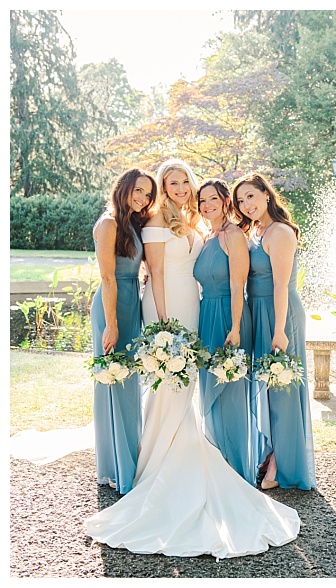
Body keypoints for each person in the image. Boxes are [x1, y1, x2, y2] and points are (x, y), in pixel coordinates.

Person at [86, 160, 300, 558]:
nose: (180, 187)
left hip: (193, 305)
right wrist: (164, 321)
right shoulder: (152, 222)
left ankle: (174, 449)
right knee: (171, 380)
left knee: (182, 385)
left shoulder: (195, 222)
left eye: (185, 181)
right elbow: (158, 274)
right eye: (172, 183)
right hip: (167, 307)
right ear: (164, 188)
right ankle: (159, 458)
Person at [232, 173, 315, 491]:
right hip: (259, 311)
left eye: (250, 196)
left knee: (282, 386)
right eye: (240, 200)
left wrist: (280, 331)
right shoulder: (254, 231)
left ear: (267, 195)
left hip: (279, 314)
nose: (246, 204)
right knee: (266, 385)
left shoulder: (279, 232)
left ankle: (283, 464)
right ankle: (269, 452)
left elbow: (281, 285)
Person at [90, 168, 155, 494]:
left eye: (147, 194)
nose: (143, 198)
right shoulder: (109, 223)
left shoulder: (132, 221)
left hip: (131, 301)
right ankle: (117, 467)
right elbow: (108, 278)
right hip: (113, 306)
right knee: (115, 381)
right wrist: (112, 324)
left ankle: (126, 458)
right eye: (139, 191)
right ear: (124, 187)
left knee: (127, 384)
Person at [194, 178, 257, 485]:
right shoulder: (207, 237)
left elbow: (237, 284)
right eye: (202, 201)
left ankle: (235, 470)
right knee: (210, 389)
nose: (207, 205)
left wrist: (234, 327)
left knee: (230, 392)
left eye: (212, 199)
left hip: (229, 317)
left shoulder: (233, 235)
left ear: (225, 201)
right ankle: (214, 464)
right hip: (207, 316)